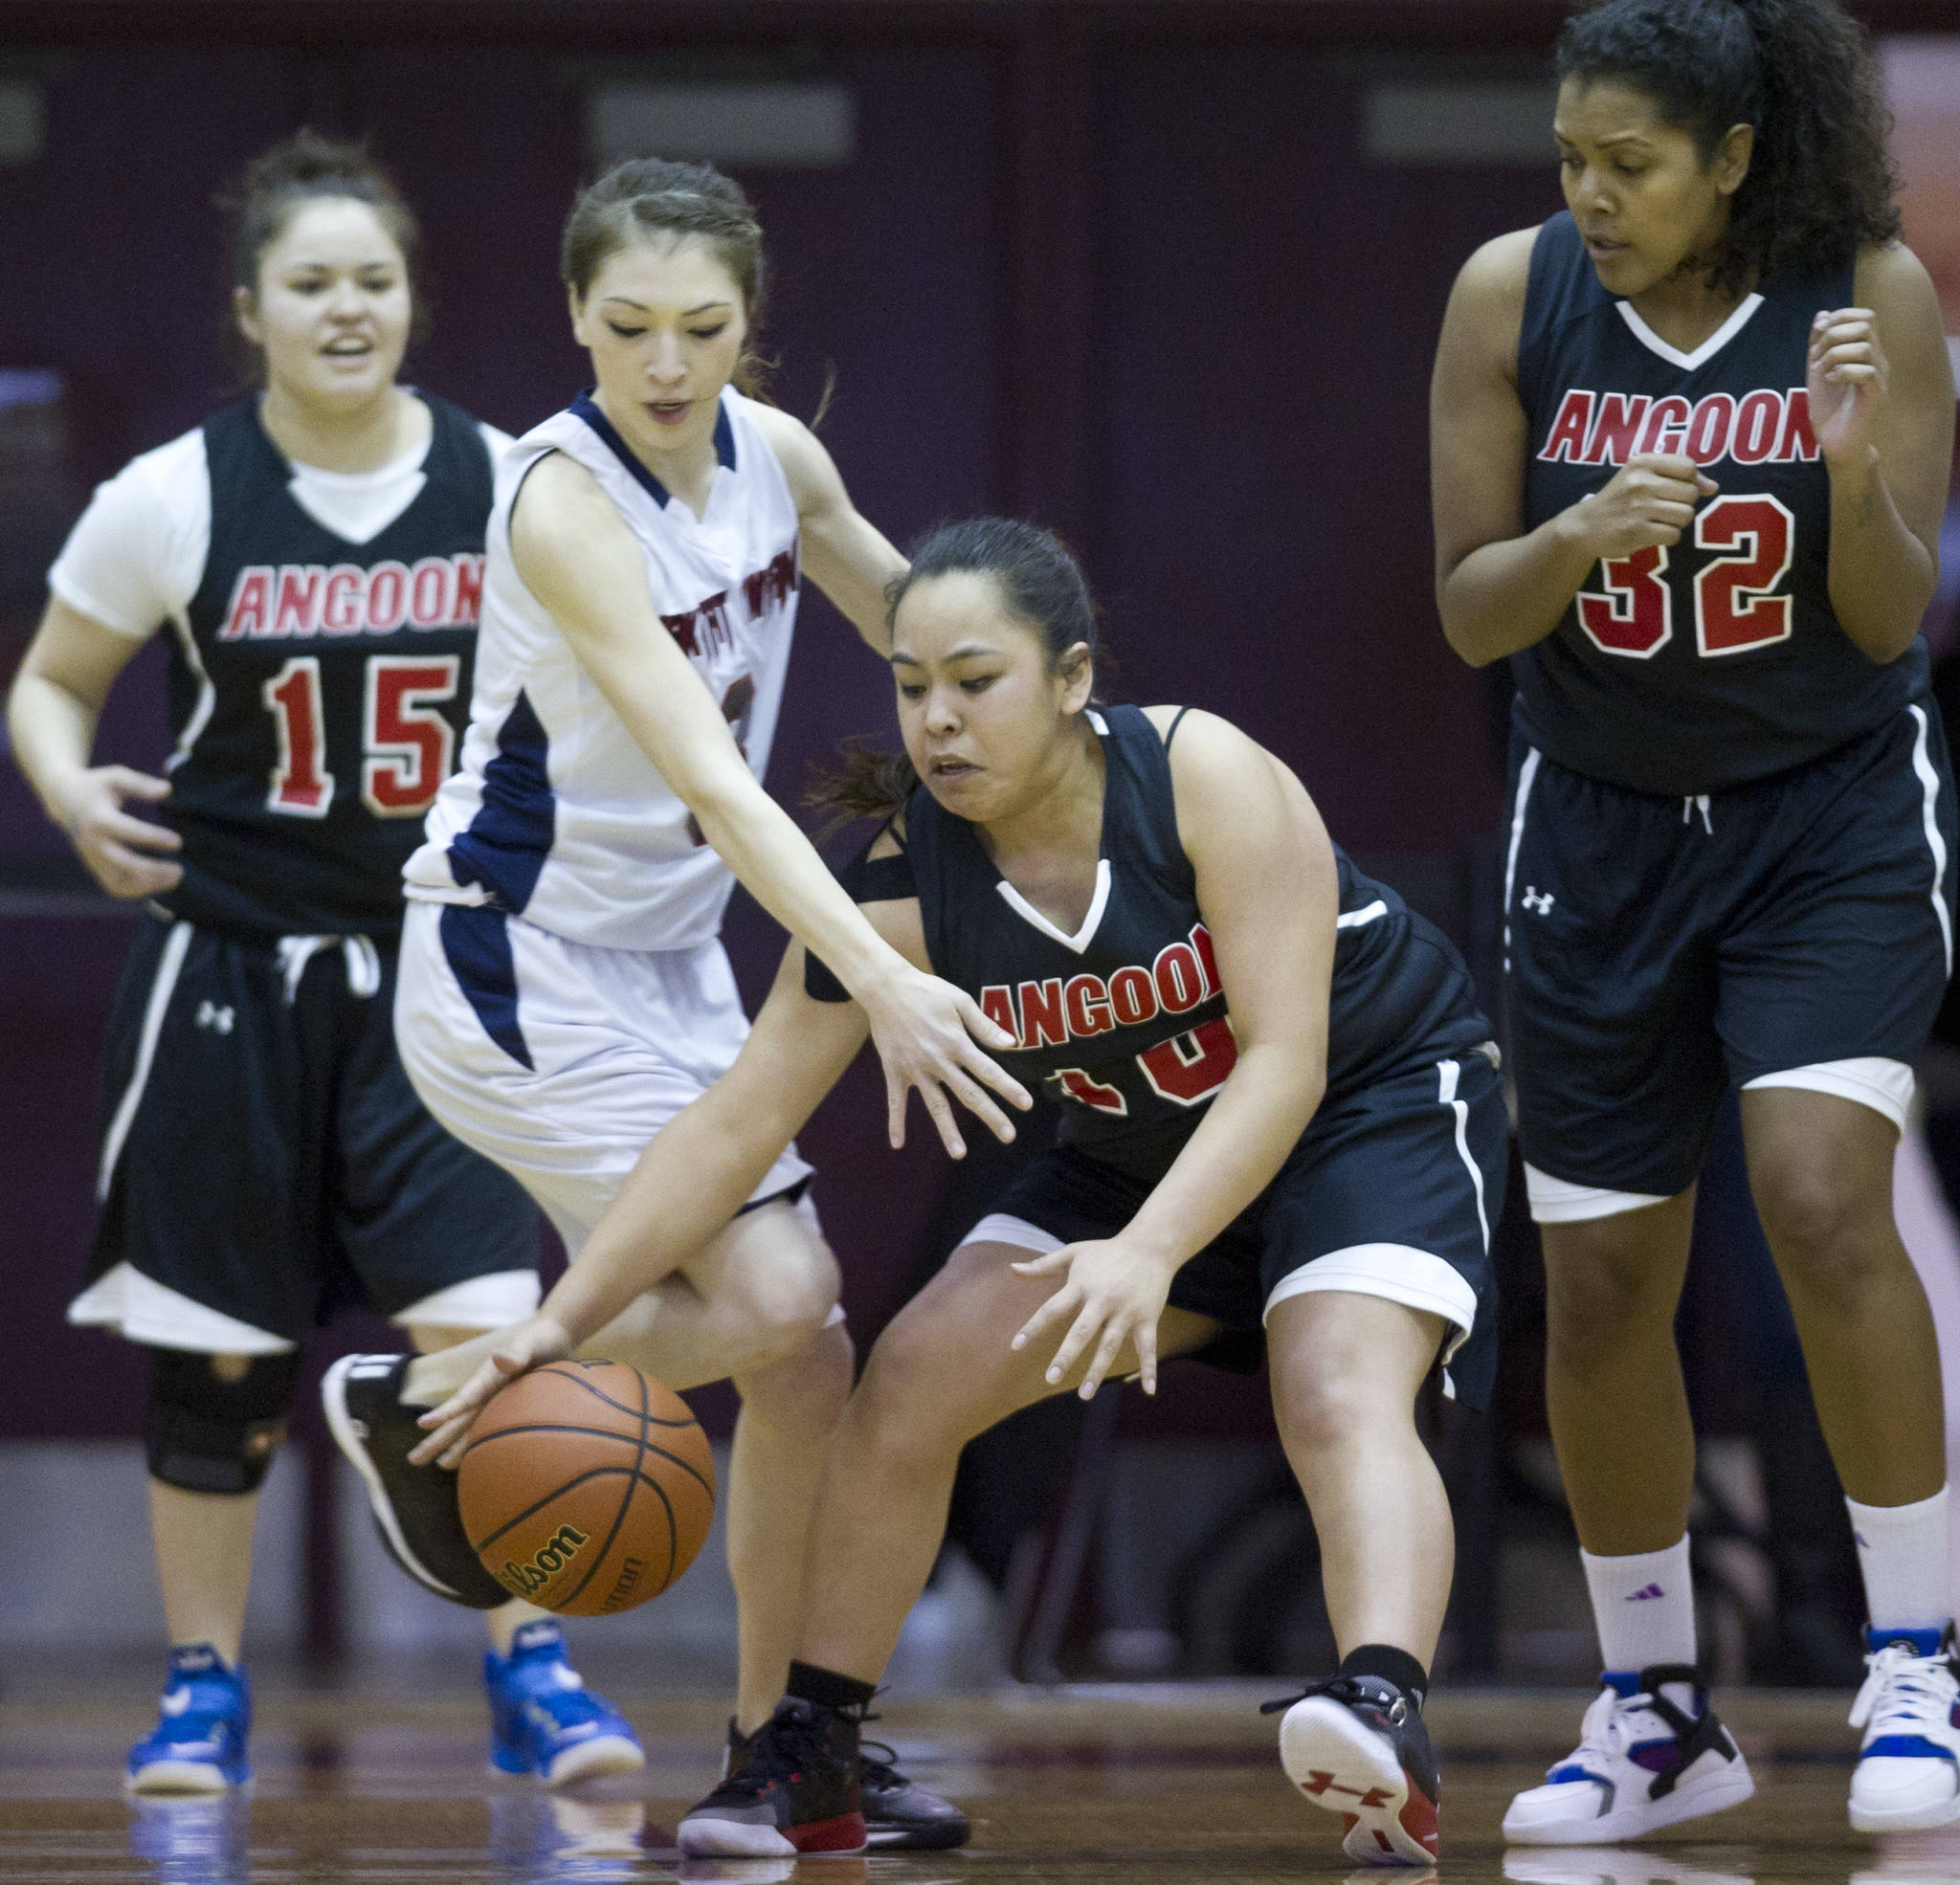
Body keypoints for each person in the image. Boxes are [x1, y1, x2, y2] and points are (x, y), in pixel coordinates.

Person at [362, 517, 1509, 1866]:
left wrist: (1148, 1251)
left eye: (977, 680)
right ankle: (814, 1746)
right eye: (912, 687)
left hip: (1363, 1110)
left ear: (1073, 680)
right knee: (907, 1377)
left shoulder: (1202, 776)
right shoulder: (904, 889)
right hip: (1133, 1151)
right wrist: (566, 1320)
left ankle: (1380, 1704)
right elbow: (736, 1122)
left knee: (1333, 1378)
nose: (939, 719)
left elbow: (1284, 1064)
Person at [319, 159, 1027, 1852]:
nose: (665, 361)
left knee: (806, 1359)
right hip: (513, 960)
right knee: (789, 1296)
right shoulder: (558, 498)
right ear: (574, 317)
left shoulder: (775, 460)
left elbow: (916, 619)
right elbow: (715, 781)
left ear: (745, 327)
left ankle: (786, 1749)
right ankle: (446, 1400)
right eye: (628, 326)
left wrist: (1082, 756)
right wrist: (880, 974)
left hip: (668, 962)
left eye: (703, 328)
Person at [4, 133, 643, 1792]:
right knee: (220, 1363)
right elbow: (49, 684)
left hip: (440, 973)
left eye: (374, 279)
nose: (346, 307)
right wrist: (70, 789)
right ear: (253, 310)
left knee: (490, 1330)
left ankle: (537, 1665)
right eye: (312, 283)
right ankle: (203, 1688)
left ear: (413, 301)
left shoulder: (510, 481)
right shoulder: (174, 490)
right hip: (229, 970)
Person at [1430, 0, 1957, 1842]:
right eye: (1571, 156)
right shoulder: (1509, 296)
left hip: (1823, 815)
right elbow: (1473, 613)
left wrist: (1853, 463)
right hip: (1596, 821)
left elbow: (1890, 620)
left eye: (1629, 164)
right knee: (1598, 1277)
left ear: (1732, 156)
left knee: (1822, 1190)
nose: (1589, 193)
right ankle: (1656, 1704)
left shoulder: (1865, 290)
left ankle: (1920, 1656)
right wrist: (1579, 546)